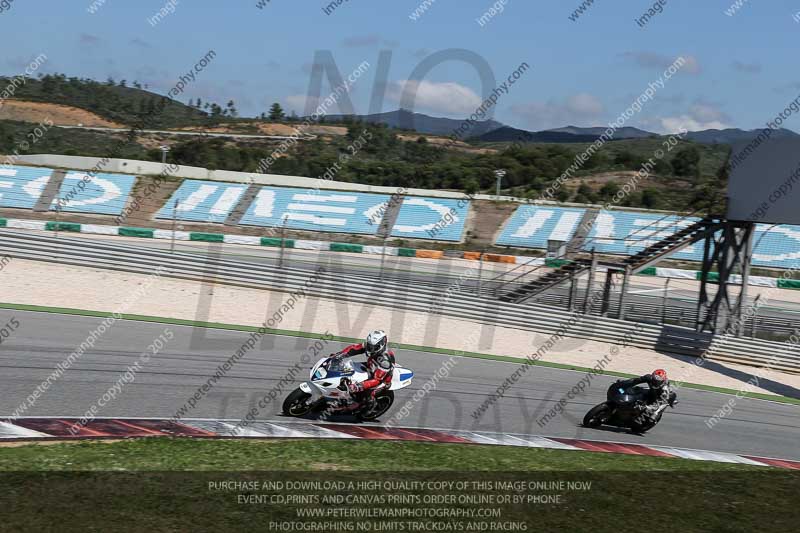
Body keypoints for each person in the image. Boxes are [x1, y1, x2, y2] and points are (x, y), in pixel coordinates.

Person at [330, 330, 395, 411]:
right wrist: (339, 355)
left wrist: (358, 386)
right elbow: (354, 349)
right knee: (346, 369)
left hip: (381, 379)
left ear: (381, 345)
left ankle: (367, 406)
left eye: (373, 347)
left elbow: (377, 380)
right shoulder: (371, 345)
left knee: (364, 396)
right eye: (369, 346)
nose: (370, 349)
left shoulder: (385, 361)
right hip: (370, 367)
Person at [611, 369, 677, 422]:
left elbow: (662, 403)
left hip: (658, 399)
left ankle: (650, 415)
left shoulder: (665, 389)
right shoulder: (649, 377)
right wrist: (624, 383)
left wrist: (653, 411)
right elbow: (635, 380)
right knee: (635, 390)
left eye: (658, 382)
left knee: (652, 412)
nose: (655, 382)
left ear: (662, 381)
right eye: (654, 380)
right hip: (650, 392)